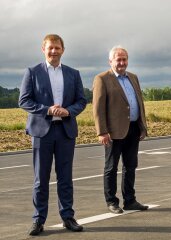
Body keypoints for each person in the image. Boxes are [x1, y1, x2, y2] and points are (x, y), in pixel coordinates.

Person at [18, 34, 86, 235]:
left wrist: (68, 111)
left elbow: (81, 101)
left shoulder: (73, 74)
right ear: (43, 49)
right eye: (50, 48)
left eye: (57, 48)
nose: (54, 51)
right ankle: (38, 220)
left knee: (65, 177)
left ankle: (68, 217)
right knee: (41, 179)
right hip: (42, 132)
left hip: (65, 131)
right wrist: (47, 110)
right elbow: (24, 101)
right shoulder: (32, 73)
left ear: (63, 50)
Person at [92, 46, 149, 214]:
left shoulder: (133, 77)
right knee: (111, 167)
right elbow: (98, 108)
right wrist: (101, 131)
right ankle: (112, 201)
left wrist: (142, 126)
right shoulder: (102, 79)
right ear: (111, 61)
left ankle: (130, 200)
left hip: (132, 129)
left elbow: (139, 102)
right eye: (119, 59)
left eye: (124, 59)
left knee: (130, 166)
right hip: (113, 132)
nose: (122, 62)